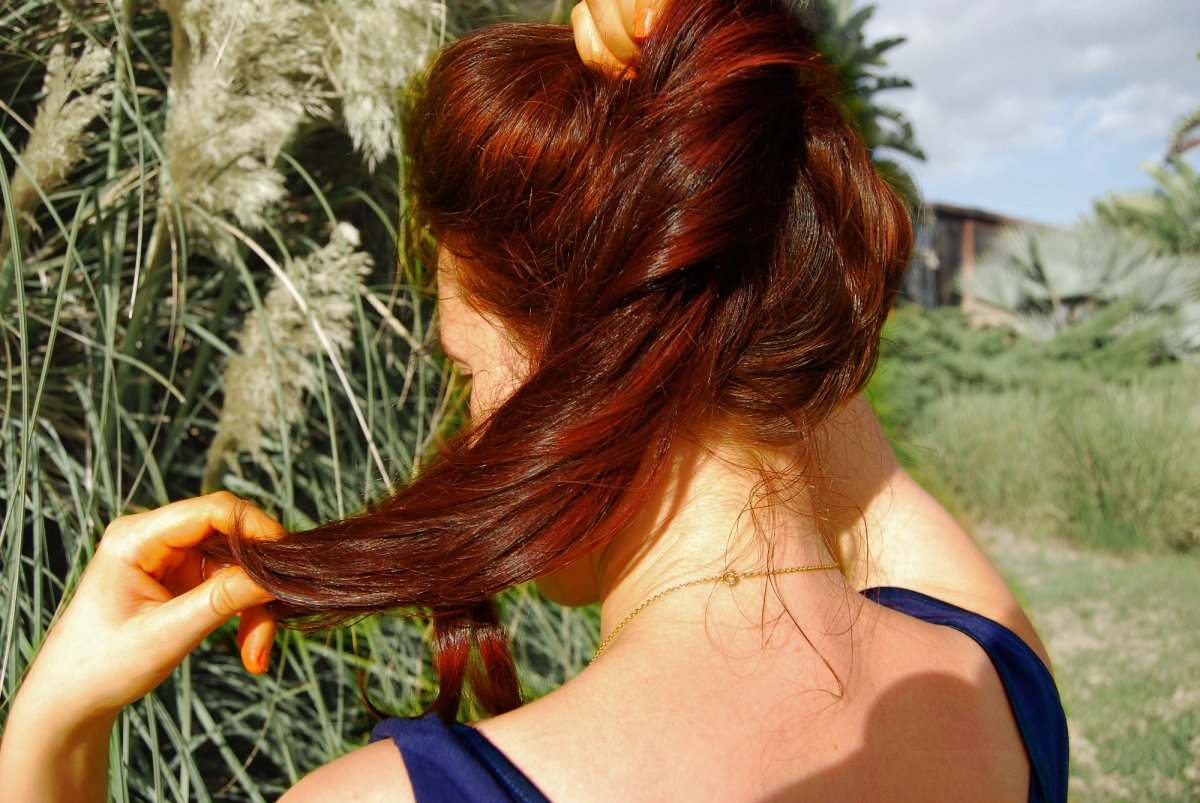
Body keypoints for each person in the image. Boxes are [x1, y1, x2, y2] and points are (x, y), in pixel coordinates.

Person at [0, 1, 1068, 800]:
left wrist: (51, 729)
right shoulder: (995, 684)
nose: (468, 429)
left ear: (586, 362)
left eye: (468, 371)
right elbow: (843, 439)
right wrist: (721, 125)